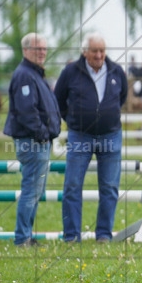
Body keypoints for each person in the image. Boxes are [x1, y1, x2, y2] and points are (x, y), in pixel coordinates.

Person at [54, 34, 129, 243]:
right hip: (80, 135)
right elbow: (58, 99)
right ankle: (71, 236)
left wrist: (107, 114)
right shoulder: (70, 72)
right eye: (94, 51)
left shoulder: (116, 71)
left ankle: (104, 234)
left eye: (102, 51)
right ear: (84, 51)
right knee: (72, 186)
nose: (99, 55)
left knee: (110, 188)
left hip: (110, 134)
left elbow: (122, 96)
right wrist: (71, 119)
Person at [4, 33, 61, 247]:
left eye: (44, 49)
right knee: (31, 190)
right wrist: (42, 135)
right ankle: (22, 238)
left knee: (36, 190)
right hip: (33, 142)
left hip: (38, 141)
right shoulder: (25, 76)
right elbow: (27, 111)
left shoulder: (34, 74)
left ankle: (26, 236)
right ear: (26, 51)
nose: (42, 53)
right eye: (38, 49)